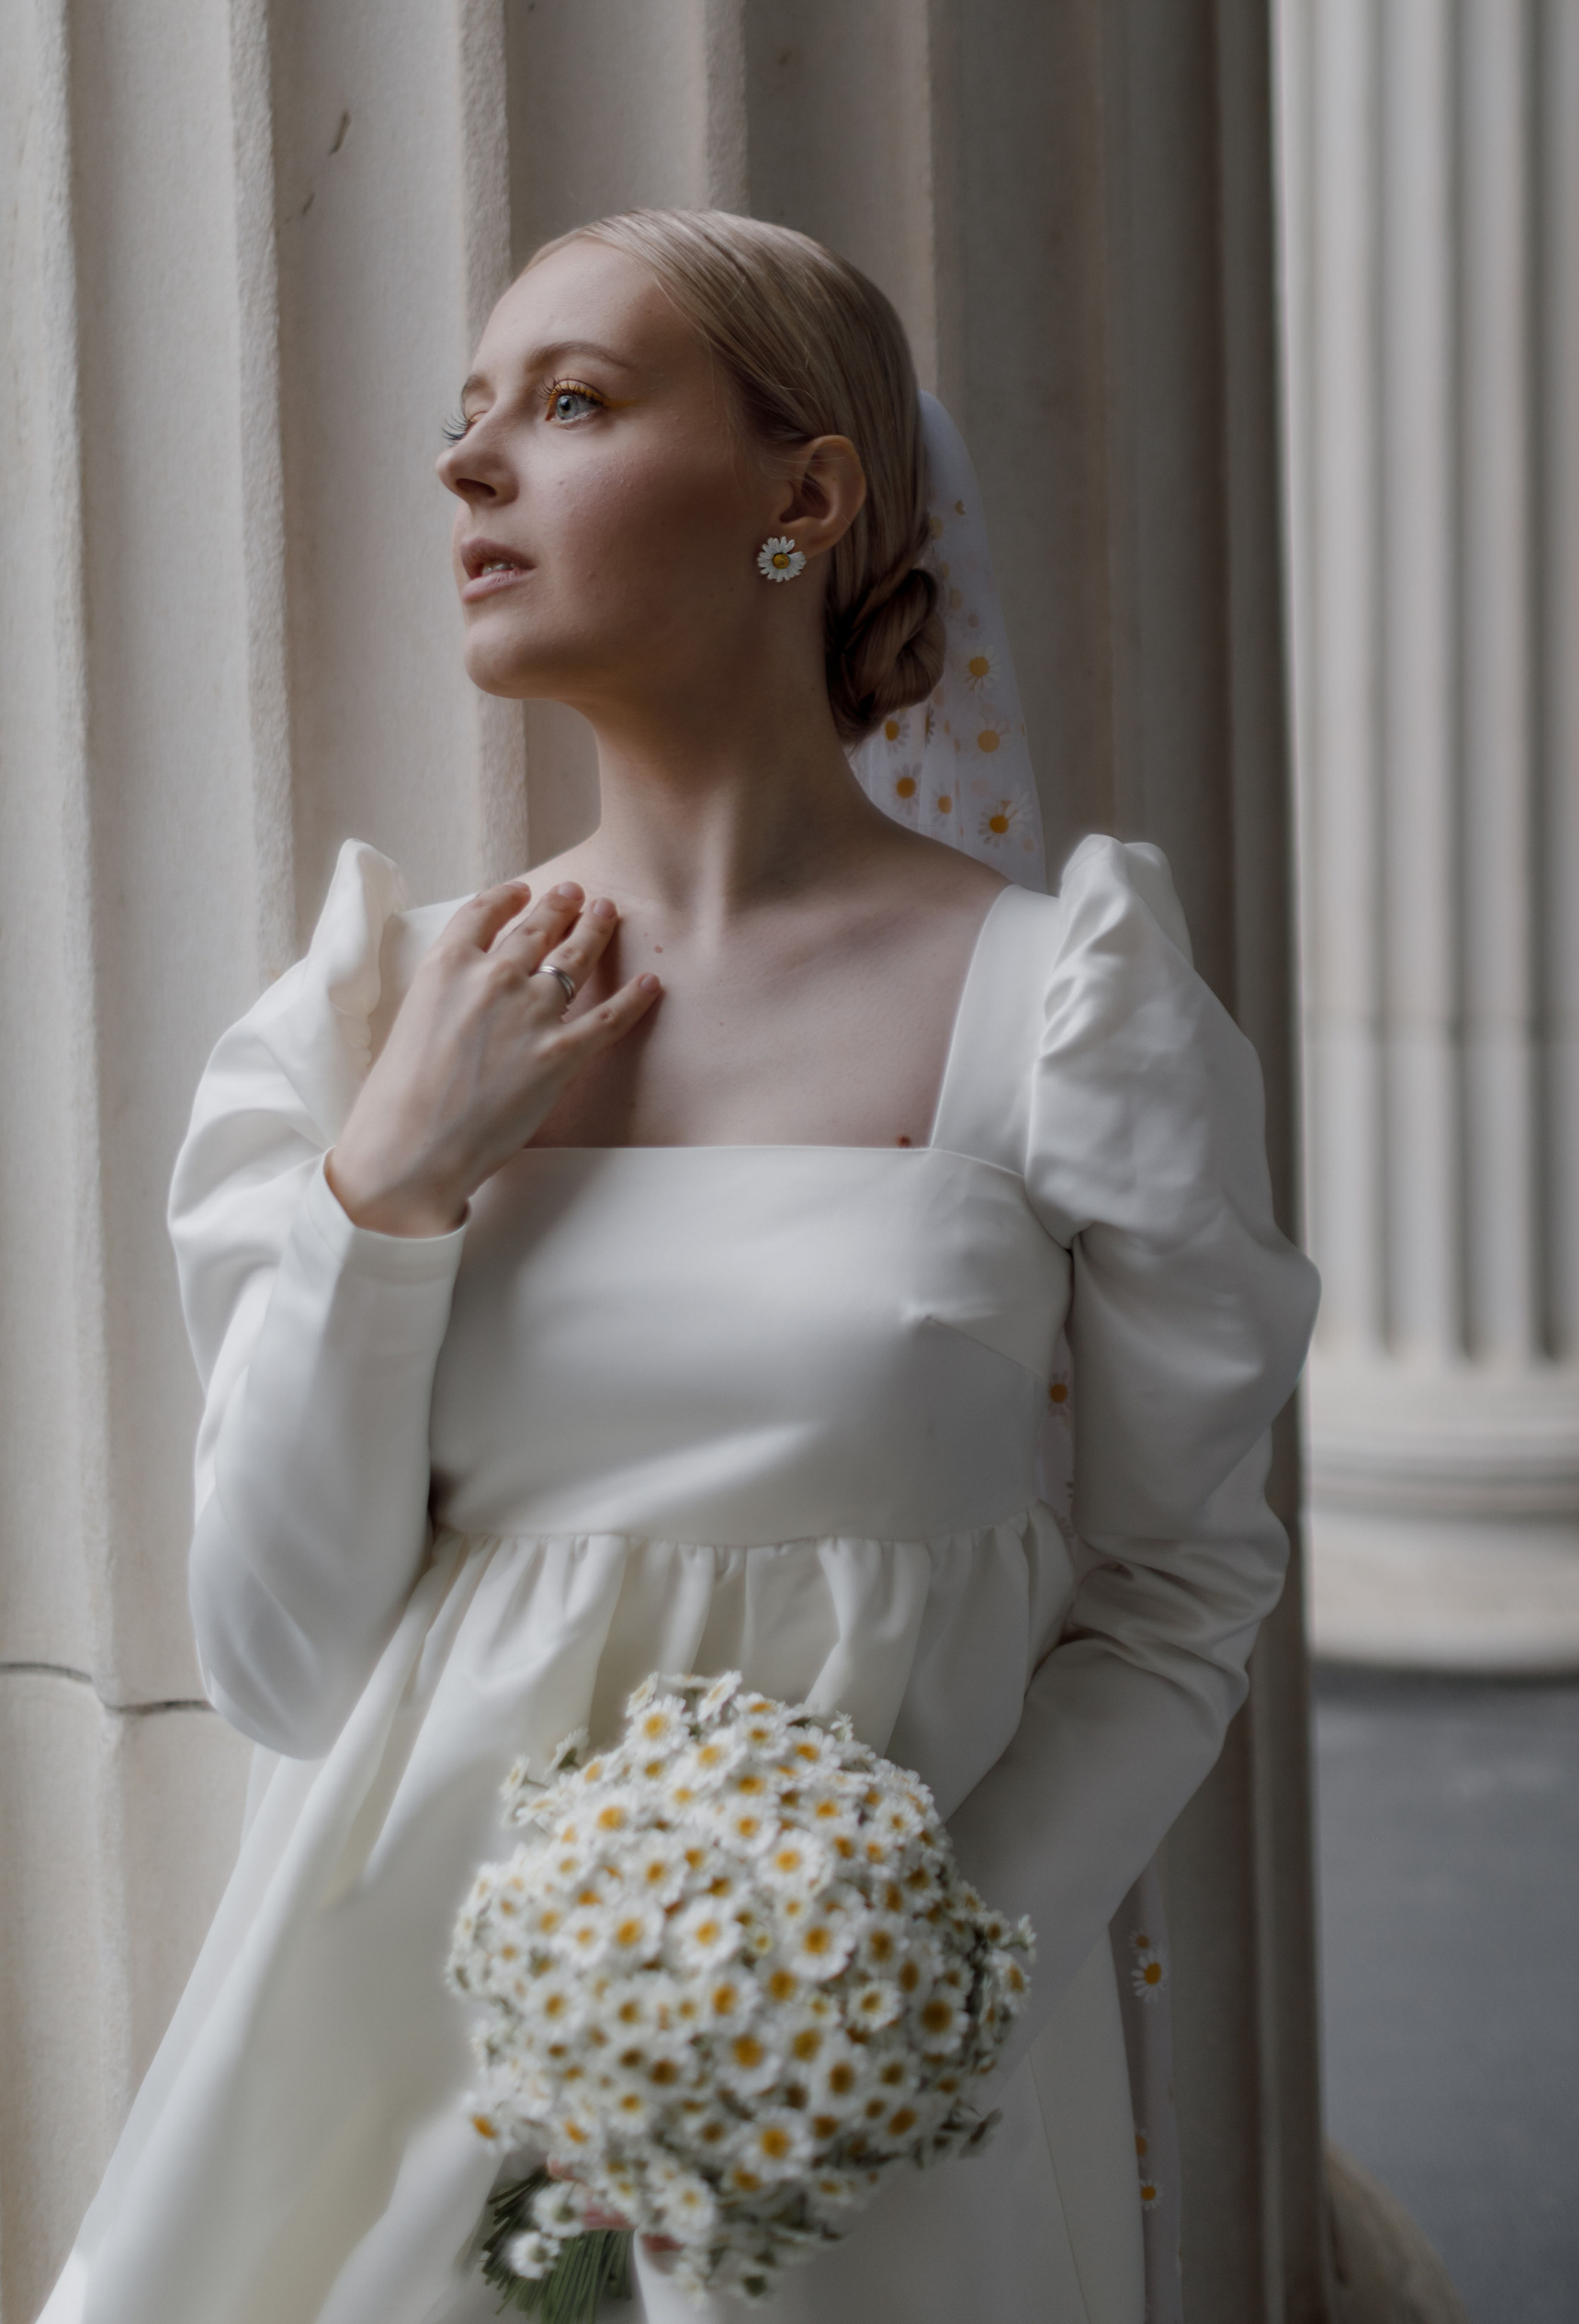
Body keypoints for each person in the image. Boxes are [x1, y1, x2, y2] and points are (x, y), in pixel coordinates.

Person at [39, 210, 1316, 2324]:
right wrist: (394, 1185)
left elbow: (1183, 1584)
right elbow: (277, 1664)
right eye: (468, 420)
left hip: (871, 2081)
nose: (468, 469)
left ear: (805, 498)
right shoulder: (370, 1020)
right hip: (388, 2050)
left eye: (569, 402)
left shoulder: (1064, 1007)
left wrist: (895, 1983)